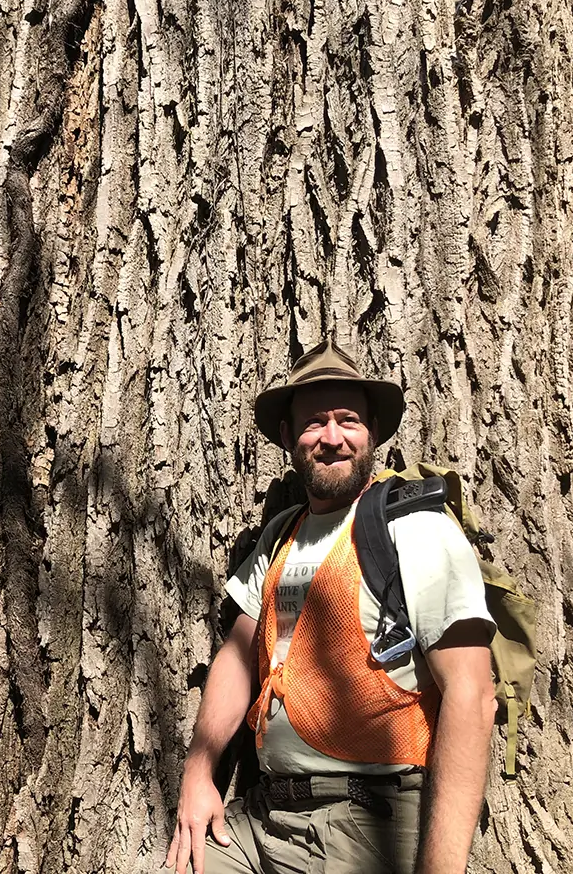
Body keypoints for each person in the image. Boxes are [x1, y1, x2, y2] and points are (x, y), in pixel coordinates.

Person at [165, 341, 497, 874]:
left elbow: (472, 693)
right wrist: (199, 771)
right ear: (287, 438)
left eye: (348, 420)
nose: (333, 438)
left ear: (373, 434)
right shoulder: (280, 535)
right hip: (264, 816)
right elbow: (238, 650)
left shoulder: (414, 528)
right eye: (315, 422)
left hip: (372, 821)